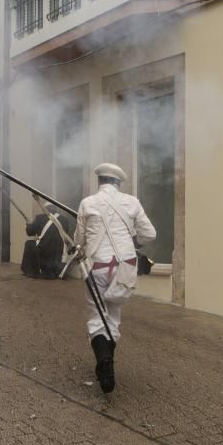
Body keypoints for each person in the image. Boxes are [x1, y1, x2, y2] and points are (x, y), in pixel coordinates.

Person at [73, 163, 155, 393]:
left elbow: (78, 239)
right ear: (118, 183)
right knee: (114, 317)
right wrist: (131, 241)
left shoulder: (87, 203)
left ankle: (104, 361)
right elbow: (150, 234)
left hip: (97, 267)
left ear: (100, 182)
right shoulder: (132, 202)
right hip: (125, 267)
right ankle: (108, 361)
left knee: (97, 317)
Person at [25, 203, 66, 279]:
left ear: (45, 209)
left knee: (29, 244)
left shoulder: (39, 218)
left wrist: (28, 224)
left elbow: (30, 232)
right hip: (59, 251)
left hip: (44, 251)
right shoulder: (64, 219)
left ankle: (31, 271)